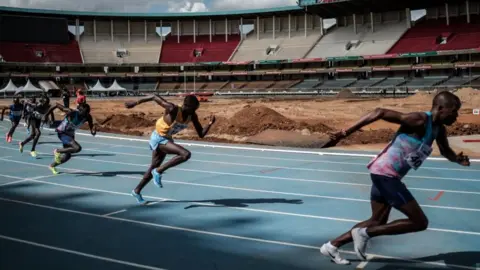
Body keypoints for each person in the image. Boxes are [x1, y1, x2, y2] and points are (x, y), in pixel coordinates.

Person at [319, 91, 470, 265]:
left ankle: (331, 246)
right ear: (441, 108)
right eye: (454, 111)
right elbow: (380, 111)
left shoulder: (438, 130)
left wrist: (457, 159)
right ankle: (364, 233)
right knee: (419, 222)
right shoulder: (419, 120)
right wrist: (345, 132)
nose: (457, 116)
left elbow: (445, 151)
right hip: (385, 174)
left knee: (377, 220)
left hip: (384, 174)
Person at [124, 95, 215, 204]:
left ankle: (136, 190)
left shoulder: (192, 115)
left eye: (196, 108)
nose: (195, 111)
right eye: (193, 108)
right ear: (186, 106)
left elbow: (201, 134)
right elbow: (154, 96)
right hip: (158, 137)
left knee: (154, 166)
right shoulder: (173, 109)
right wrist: (136, 102)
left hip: (167, 138)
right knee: (185, 154)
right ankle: (158, 171)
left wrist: (209, 124)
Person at [43, 102, 96, 175]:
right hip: (62, 133)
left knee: (68, 156)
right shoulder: (71, 112)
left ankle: (52, 166)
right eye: (84, 113)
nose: (85, 115)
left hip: (70, 134)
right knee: (77, 148)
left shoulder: (88, 117)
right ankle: (58, 151)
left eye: (87, 113)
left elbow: (91, 125)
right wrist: (46, 115)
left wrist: (92, 131)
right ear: (79, 111)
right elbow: (56, 105)